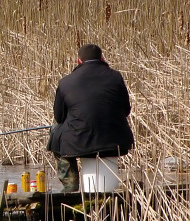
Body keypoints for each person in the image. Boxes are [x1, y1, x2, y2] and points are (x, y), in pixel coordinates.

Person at [47, 43, 134, 192]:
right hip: (116, 141)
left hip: (79, 142)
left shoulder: (65, 82)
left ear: (78, 61)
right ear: (102, 58)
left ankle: (70, 186)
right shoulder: (116, 77)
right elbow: (126, 110)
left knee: (55, 128)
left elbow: (59, 117)